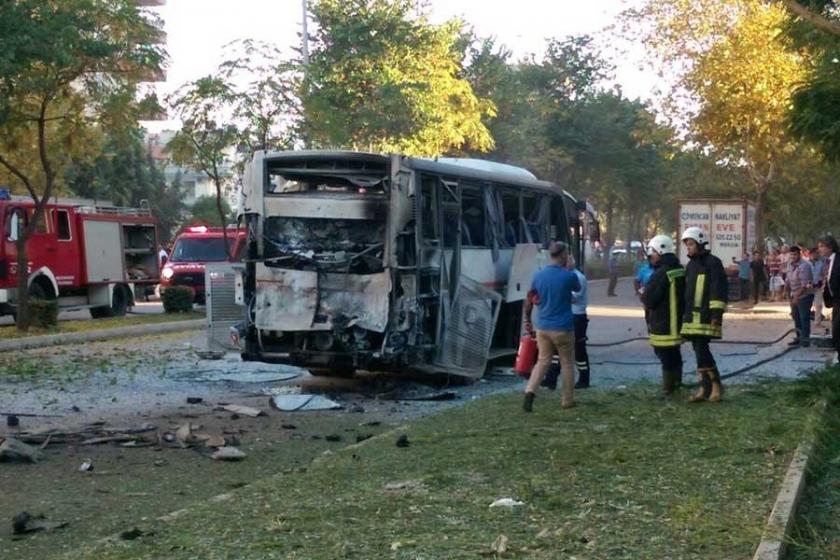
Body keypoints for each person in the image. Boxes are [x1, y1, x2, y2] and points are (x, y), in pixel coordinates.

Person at [523, 241, 581, 412]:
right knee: (567, 363)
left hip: (542, 326)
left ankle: (529, 391)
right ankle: (567, 400)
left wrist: (528, 320)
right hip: (563, 327)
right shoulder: (568, 275)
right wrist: (570, 268)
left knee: (542, 361)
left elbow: (531, 296)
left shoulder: (538, 275)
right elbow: (577, 289)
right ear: (563, 255)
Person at [680, 227, 728, 403]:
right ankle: (704, 387)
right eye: (687, 245)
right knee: (698, 350)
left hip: (706, 316)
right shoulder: (691, 265)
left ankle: (715, 386)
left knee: (702, 349)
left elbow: (718, 290)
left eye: (691, 244)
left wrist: (716, 314)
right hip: (692, 317)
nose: (688, 248)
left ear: (700, 243)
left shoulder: (713, 263)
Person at [641, 235, 685, 396]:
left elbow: (649, 299)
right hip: (677, 322)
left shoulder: (661, 274)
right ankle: (677, 384)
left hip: (664, 323)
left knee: (665, 355)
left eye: (652, 254)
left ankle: (668, 389)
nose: (650, 258)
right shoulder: (679, 270)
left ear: (660, 251)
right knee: (675, 354)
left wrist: (643, 293)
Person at [786, 245, 815, 347]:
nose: (793, 256)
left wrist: (796, 297)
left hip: (805, 295)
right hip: (794, 293)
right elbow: (788, 280)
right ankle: (799, 338)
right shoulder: (790, 264)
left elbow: (804, 285)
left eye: (795, 254)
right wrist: (788, 295)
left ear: (799, 254)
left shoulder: (805, 265)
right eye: (791, 254)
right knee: (796, 317)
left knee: (804, 317)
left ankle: (805, 340)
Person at [818, 235, 840, 364]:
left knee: (838, 327)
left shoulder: (838, 259)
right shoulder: (828, 261)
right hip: (835, 299)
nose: (819, 249)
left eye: (822, 246)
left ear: (830, 247)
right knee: (835, 326)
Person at [810, 249, 826, 327]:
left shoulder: (821, 263)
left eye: (817, 253)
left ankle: (817, 321)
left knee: (818, 304)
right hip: (808, 286)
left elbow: (824, 274)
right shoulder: (807, 263)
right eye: (814, 254)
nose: (815, 255)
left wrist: (823, 283)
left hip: (818, 285)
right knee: (807, 303)